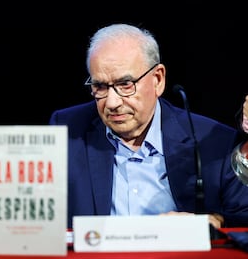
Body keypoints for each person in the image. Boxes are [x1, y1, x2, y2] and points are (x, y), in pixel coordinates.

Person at [49, 23, 248, 230]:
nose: (112, 102)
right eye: (100, 87)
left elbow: (243, 214)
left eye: (125, 84)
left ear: (158, 80)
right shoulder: (67, 132)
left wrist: (215, 220)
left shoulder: (214, 143)